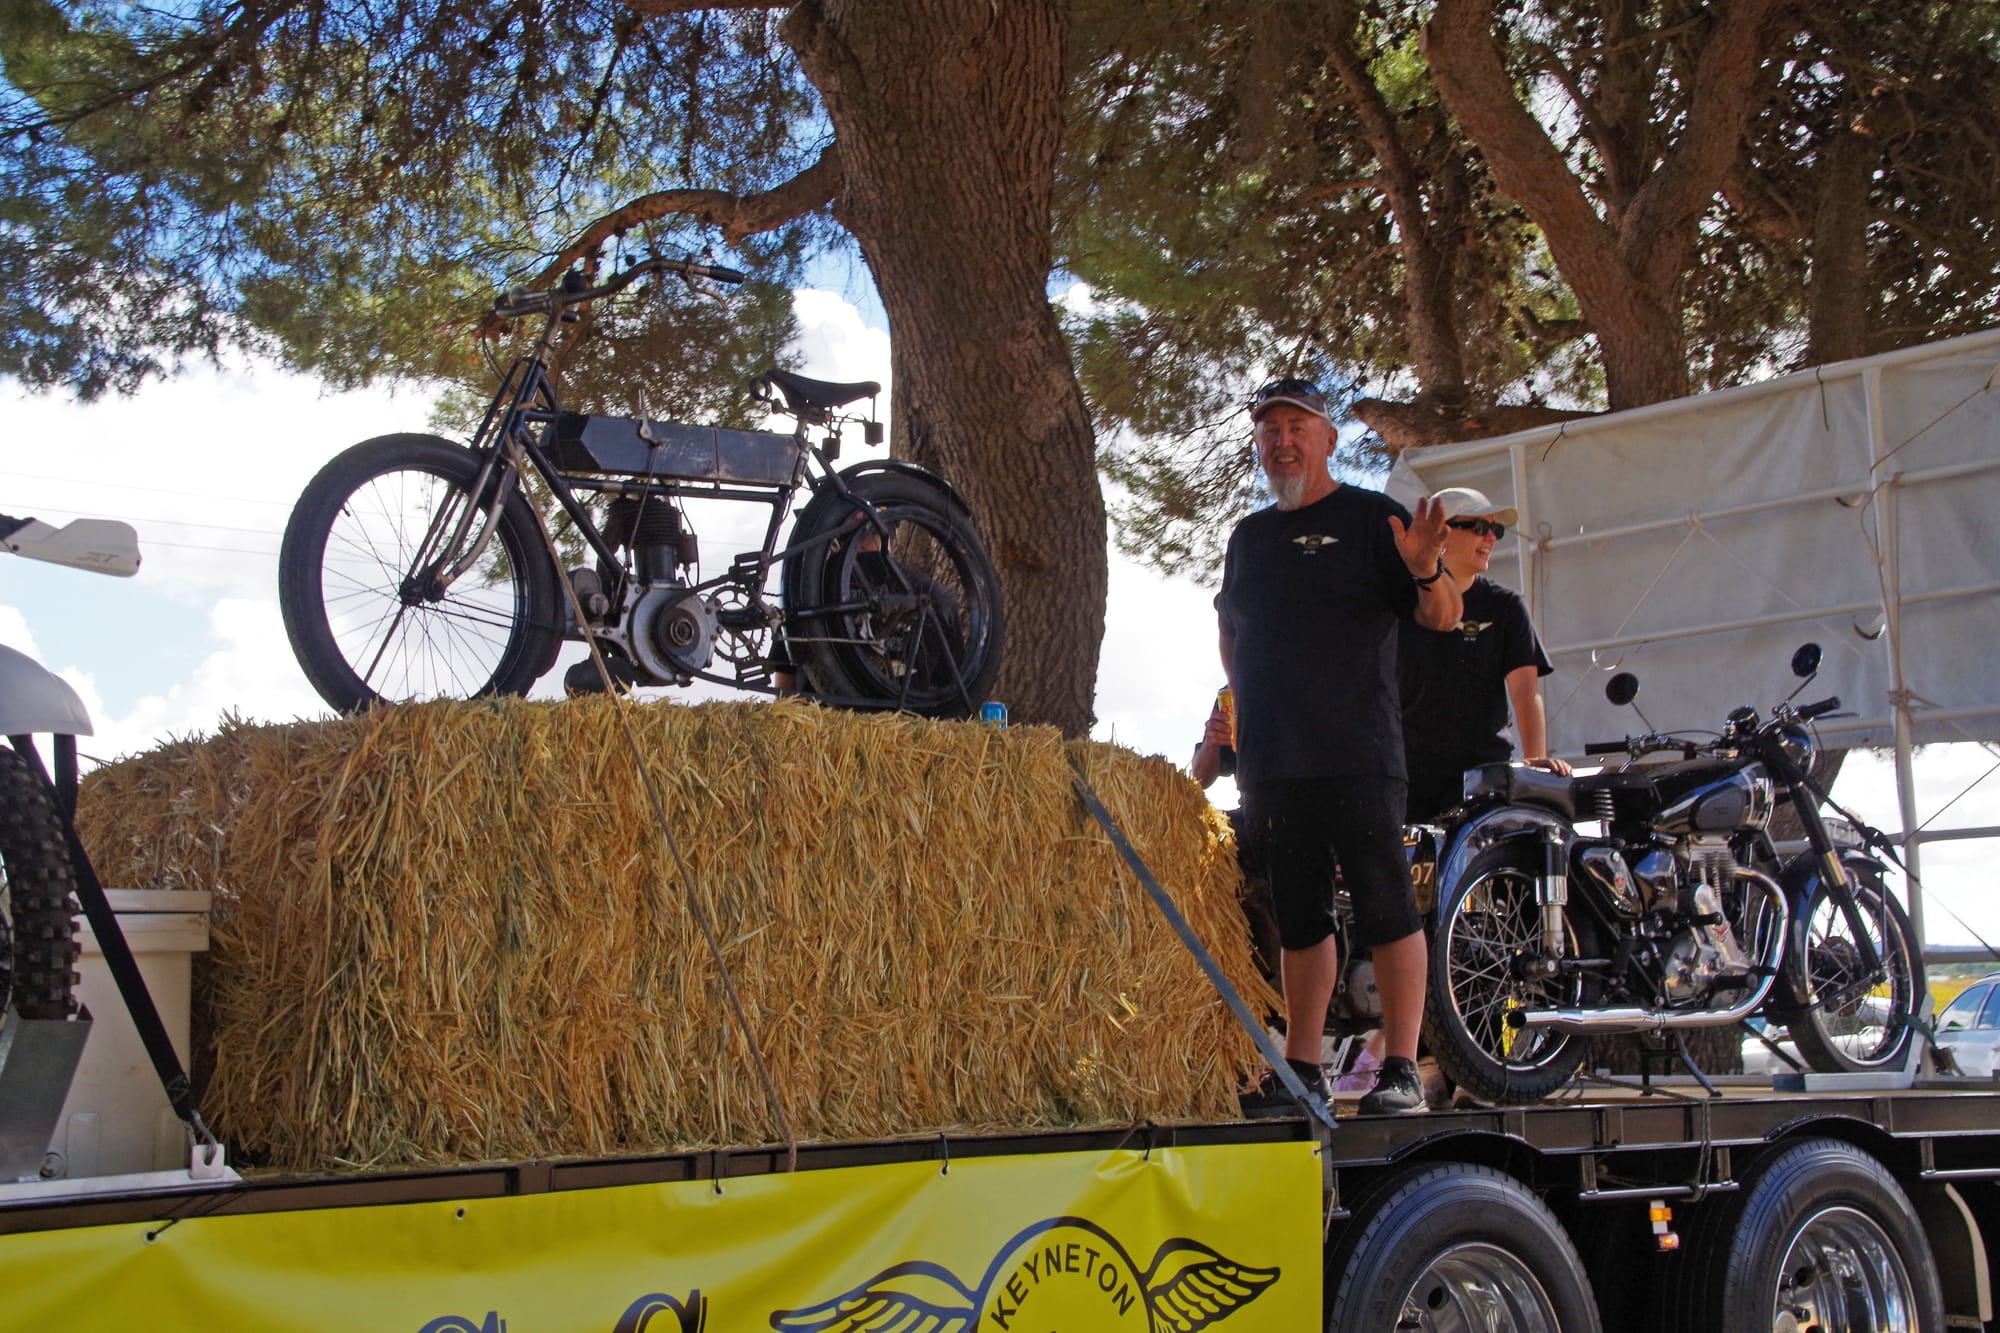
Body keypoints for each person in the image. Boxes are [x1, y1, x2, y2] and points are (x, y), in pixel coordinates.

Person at [1219, 378, 1461, 1118]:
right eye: (1270, 430)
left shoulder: (1372, 519)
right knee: (1300, 916)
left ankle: (1399, 1068)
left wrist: (1425, 566)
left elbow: (1445, 616)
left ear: (1328, 440)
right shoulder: (1249, 538)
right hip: (1275, 761)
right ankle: (1303, 1067)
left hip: (1358, 750)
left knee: (1388, 906)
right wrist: (1247, 709)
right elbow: (1232, 634)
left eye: (1297, 426)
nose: (1282, 440)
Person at [1399, 487, 1570, 823]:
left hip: (1483, 777)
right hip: (1407, 776)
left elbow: (1525, 692)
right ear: (1439, 533)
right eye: (1479, 527)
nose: (1491, 537)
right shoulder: (1397, 603)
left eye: (1497, 530)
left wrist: (1534, 761)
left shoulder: (1506, 606)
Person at [1189, 688, 1282, 985]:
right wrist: (1213, 743)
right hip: (1253, 810)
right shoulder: (1235, 689)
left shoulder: (1316, 672)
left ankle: (1268, 978)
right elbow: (1200, 777)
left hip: (1311, 810)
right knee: (1196, 840)